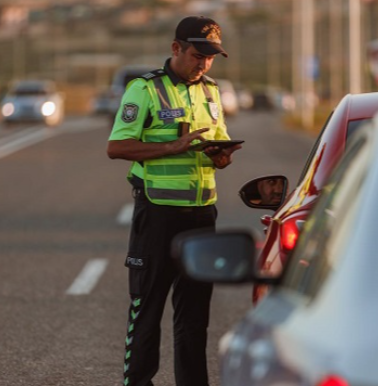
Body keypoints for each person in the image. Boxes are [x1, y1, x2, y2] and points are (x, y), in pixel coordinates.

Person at [107, 16, 241, 386]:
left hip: (201, 216)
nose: (203, 64)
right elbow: (116, 147)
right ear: (176, 48)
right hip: (158, 215)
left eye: (211, 58)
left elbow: (219, 139)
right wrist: (172, 146)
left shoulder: (212, 91)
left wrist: (222, 156)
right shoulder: (144, 90)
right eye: (198, 55)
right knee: (147, 309)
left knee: (195, 316)